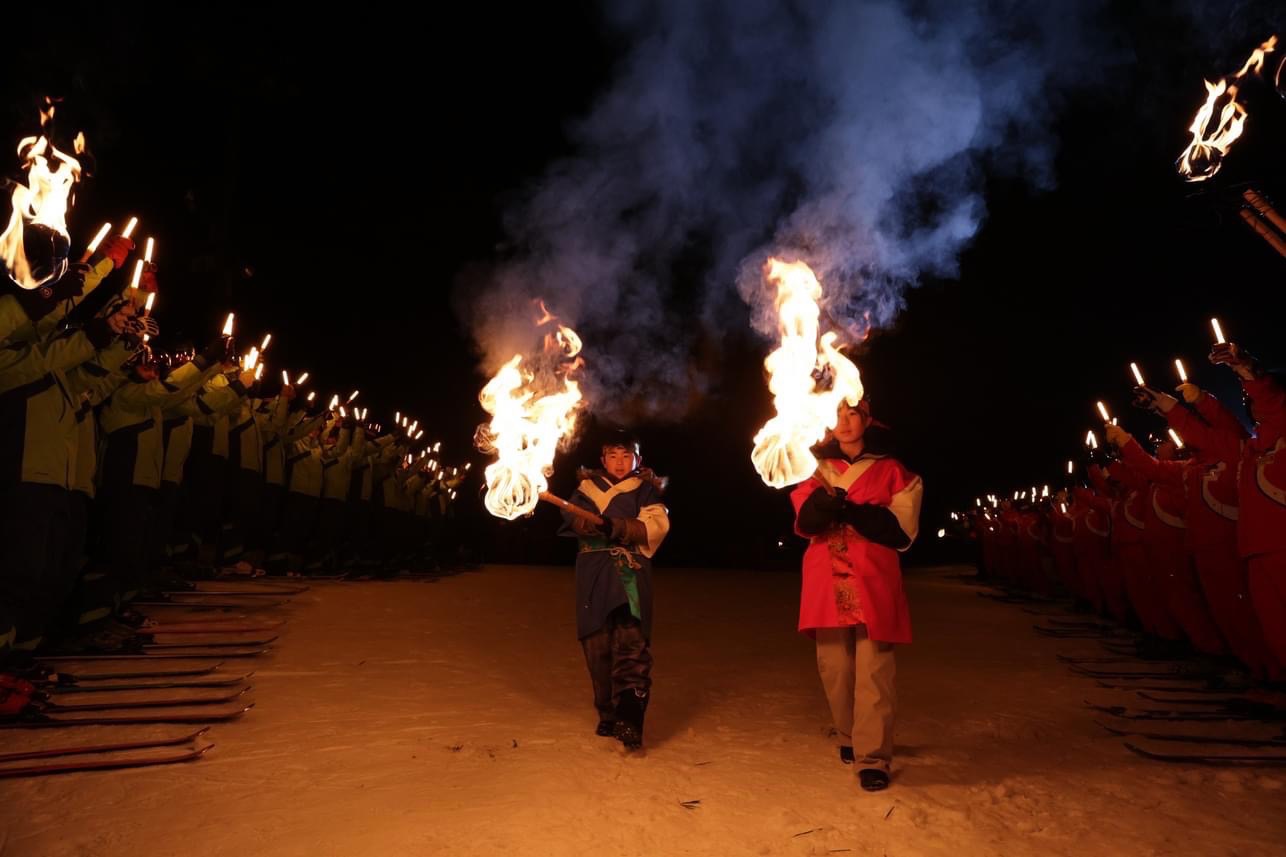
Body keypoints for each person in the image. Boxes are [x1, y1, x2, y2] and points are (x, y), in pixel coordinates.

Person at [791, 399, 922, 792]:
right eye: (837, 415)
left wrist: (855, 512)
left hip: (874, 580)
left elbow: (902, 531)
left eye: (852, 414)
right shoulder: (813, 469)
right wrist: (824, 505)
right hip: (825, 581)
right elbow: (805, 521)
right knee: (836, 668)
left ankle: (873, 758)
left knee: (874, 672)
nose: (844, 423)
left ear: (866, 420)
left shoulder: (895, 471)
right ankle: (848, 735)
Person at [560, 429, 669, 751]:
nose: (620, 463)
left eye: (626, 456)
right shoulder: (585, 490)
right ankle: (607, 710)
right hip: (593, 573)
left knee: (631, 644)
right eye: (613, 456)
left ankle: (630, 715)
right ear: (602, 459)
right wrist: (588, 522)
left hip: (630, 574)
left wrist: (618, 526)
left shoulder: (646, 490)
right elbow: (570, 516)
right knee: (597, 645)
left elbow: (656, 524)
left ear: (638, 459)